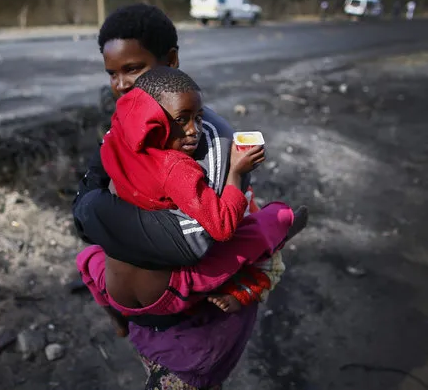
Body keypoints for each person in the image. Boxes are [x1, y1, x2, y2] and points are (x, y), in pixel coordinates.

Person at [73, 4, 308, 389]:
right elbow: (90, 191)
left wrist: (96, 214)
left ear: (171, 61)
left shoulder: (199, 141)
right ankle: (277, 222)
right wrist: (93, 212)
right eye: (112, 74)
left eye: (133, 69)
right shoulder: (127, 126)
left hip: (174, 292)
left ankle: (278, 223)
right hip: (140, 292)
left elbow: (197, 241)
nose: (121, 85)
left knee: (253, 232)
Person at [77, 66, 304, 325]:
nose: (194, 130)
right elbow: (221, 227)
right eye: (181, 119)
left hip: (114, 292)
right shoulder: (174, 167)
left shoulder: (115, 140)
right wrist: (237, 172)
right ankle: (288, 221)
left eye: (198, 117)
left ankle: (118, 322)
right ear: (153, 118)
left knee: (86, 260)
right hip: (166, 296)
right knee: (267, 222)